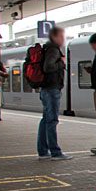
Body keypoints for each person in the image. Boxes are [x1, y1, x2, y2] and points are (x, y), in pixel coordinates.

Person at [38, 27, 72, 161]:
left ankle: (43, 151)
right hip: (52, 89)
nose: (64, 40)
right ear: (55, 37)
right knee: (52, 121)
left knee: (45, 120)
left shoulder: (48, 49)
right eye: (62, 37)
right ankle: (55, 152)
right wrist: (61, 63)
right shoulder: (53, 50)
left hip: (47, 89)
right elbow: (48, 67)